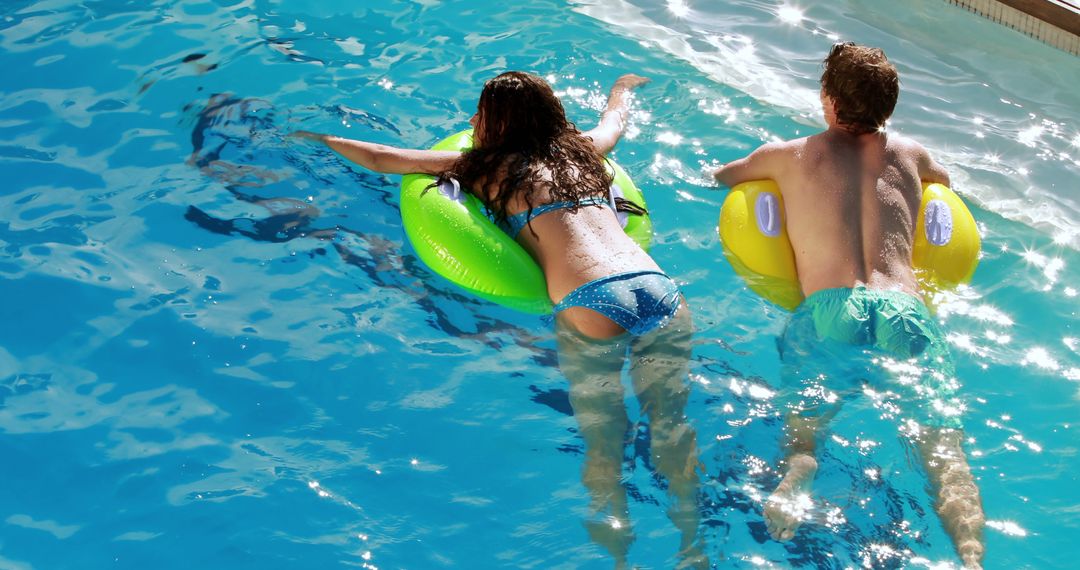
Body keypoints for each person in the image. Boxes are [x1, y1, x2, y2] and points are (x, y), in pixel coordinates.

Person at [292, 71, 707, 569]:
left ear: (495, 123)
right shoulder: (584, 151)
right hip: (658, 287)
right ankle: (693, 548)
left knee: (604, 442)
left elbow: (383, 159)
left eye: (479, 113)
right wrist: (621, 87)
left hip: (591, 298)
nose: (471, 120)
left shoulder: (483, 166)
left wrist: (317, 137)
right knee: (671, 425)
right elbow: (614, 121)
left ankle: (622, 562)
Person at [712, 43, 986, 568]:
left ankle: (800, 468)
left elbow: (723, 176)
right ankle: (970, 556)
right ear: (892, 105)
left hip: (829, 308)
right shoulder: (912, 154)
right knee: (945, 453)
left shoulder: (790, 154)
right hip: (903, 309)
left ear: (828, 101)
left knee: (804, 432)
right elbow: (944, 193)